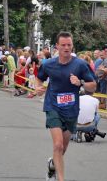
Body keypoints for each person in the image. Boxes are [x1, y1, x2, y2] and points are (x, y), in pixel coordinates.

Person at [35, 32, 96, 181]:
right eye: (63, 45)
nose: (66, 48)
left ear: (72, 46)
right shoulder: (48, 64)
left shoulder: (80, 64)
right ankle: (60, 179)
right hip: (53, 107)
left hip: (71, 110)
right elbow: (39, 79)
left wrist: (80, 83)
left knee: (63, 148)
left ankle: (53, 164)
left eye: (69, 45)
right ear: (57, 46)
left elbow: (93, 86)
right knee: (58, 145)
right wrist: (38, 88)